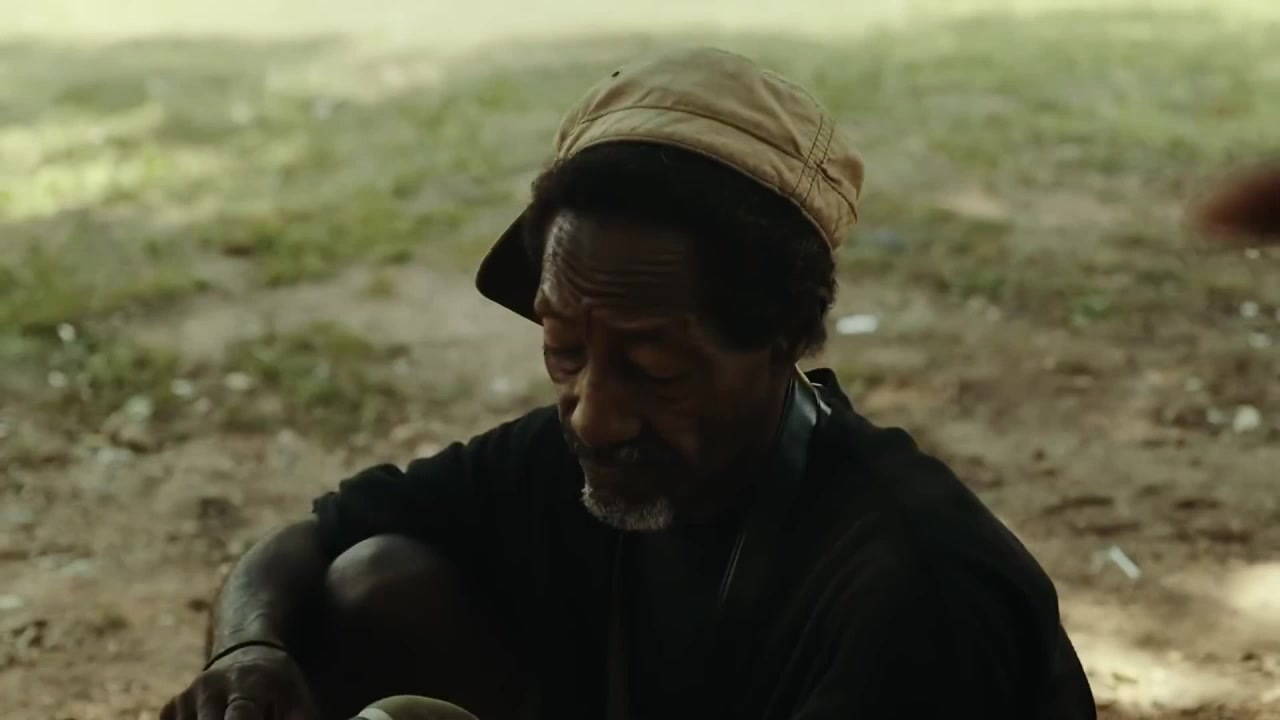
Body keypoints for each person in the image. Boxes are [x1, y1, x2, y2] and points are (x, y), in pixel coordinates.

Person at [159, 46, 1097, 720]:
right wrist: (249, 647)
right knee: (370, 585)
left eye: (655, 367)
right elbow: (308, 542)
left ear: (778, 341)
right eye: (564, 348)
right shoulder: (570, 455)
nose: (596, 416)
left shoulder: (912, 588)